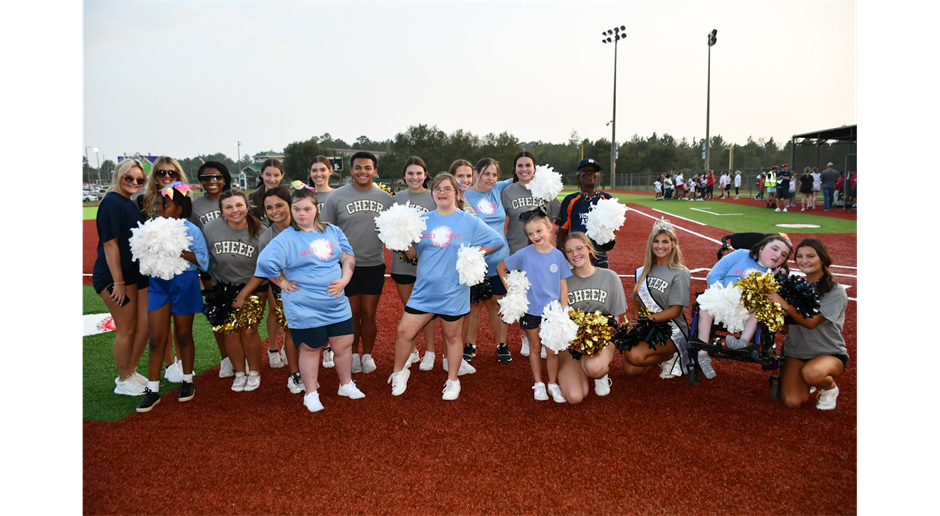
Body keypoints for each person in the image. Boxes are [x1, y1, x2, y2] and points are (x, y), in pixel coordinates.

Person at [386, 173, 504, 400]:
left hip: (453, 290)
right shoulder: (422, 220)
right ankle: (399, 373)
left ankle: (452, 380)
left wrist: (473, 255)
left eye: (447, 189)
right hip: (424, 290)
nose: (442, 192)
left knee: (452, 337)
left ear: (457, 193)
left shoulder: (469, 221)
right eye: (437, 188)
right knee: (404, 332)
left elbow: (496, 241)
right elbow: (411, 253)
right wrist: (400, 239)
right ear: (432, 193)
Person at [255, 185, 365, 412]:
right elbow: (265, 264)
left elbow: (348, 257)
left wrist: (345, 280)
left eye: (306, 208)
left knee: (344, 344)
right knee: (311, 348)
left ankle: (346, 384)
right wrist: (283, 283)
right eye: (296, 209)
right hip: (305, 306)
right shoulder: (286, 238)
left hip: (336, 303)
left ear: (316, 209)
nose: (301, 214)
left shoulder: (332, 231)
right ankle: (311, 393)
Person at [137, 183, 209, 412]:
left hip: (185, 283)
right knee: (156, 338)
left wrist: (176, 249)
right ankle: (153, 389)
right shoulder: (150, 227)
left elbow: (204, 261)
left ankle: (188, 380)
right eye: (157, 204)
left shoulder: (191, 230)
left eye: (164, 204)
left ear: (179, 207)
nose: (159, 208)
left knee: (183, 334)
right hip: (158, 284)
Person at [320, 151, 393, 374]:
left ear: (375, 171)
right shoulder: (336, 197)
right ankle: (352, 354)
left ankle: (368, 355)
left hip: (373, 264)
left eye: (368, 168)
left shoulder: (386, 199)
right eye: (358, 167)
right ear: (351, 170)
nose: (363, 171)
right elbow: (323, 230)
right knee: (350, 314)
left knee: (369, 314)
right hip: (344, 267)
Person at [498, 209, 572, 403]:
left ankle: (553, 384)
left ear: (549, 228)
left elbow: (563, 286)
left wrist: (564, 311)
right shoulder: (524, 254)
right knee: (535, 348)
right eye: (530, 234)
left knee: (552, 351)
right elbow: (501, 267)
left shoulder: (558, 256)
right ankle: (538, 383)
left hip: (553, 313)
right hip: (531, 310)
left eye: (538, 231)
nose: (535, 237)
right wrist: (513, 291)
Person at [694, 234, 793, 378]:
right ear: (761, 248)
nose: (778, 255)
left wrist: (780, 279)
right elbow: (714, 275)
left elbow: (775, 299)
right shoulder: (740, 255)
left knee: (761, 306)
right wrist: (719, 291)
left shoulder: (774, 274)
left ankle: (743, 342)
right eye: (775, 249)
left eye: (783, 255)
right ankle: (702, 354)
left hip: (748, 310)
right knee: (705, 307)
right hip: (724, 298)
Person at [768, 239, 847, 410]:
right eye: (800, 257)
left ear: (823, 258)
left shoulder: (835, 290)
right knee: (792, 401)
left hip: (828, 352)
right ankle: (806, 380)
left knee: (811, 373)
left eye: (811, 256)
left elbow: (812, 323)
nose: (805, 261)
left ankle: (829, 387)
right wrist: (771, 314)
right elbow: (787, 328)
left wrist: (785, 304)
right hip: (797, 352)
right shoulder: (795, 286)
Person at [93, 159, 149, 396]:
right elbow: (110, 245)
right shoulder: (112, 202)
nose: (134, 183)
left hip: (130, 275)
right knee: (126, 328)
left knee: (136, 326)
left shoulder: (128, 202)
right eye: (129, 178)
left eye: (139, 180)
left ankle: (130, 371)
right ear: (118, 176)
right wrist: (118, 282)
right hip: (114, 278)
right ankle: (124, 379)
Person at [203, 190, 266, 392]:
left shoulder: (261, 232)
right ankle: (239, 372)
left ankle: (254, 371)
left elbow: (263, 270)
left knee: (248, 329)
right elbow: (205, 260)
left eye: (239, 205)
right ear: (221, 211)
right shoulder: (210, 229)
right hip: (222, 286)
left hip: (253, 285)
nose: (235, 210)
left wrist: (242, 295)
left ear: (247, 206)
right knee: (229, 332)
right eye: (228, 207)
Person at [500, 151, 561, 358]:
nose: (524, 169)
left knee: (543, 293)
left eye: (528, 165)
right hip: (518, 250)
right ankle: (525, 336)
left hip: (543, 252)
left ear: (535, 168)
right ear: (515, 169)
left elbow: (554, 217)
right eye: (520, 166)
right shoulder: (507, 191)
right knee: (521, 294)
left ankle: (543, 337)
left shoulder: (544, 189)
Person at [556, 233, 628, 404]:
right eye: (569, 251)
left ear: (589, 248)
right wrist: (575, 342)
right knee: (574, 397)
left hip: (600, 340)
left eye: (579, 248)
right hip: (571, 344)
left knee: (594, 368)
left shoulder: (610, 277)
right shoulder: (562, 281)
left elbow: (616, 319)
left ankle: (600, 375)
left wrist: (594, 339)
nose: (575, 254)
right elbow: (557, 320)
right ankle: (578, 368)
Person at [623, 220, 690, 381]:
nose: (660, 246)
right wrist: (635, 321)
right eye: (656, 241)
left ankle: (670, 356)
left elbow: (675, 310)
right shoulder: (643, 271)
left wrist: (645, 321)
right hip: (649, 327)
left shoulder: (680, 273)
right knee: (630, 370)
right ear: (651, 244)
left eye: (665, 241)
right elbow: (638, 302)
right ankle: (660, 356)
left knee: (634, 355)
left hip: (672, 330)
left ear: (673, 244)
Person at [390, 157, 439, 371]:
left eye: (418, 173)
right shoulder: (397, 198)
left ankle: (430, 351)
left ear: (425, 174)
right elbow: (390, 229)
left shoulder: (434, 196)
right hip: (402, 263)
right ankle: (412, 350)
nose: (414, 177)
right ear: (404, 176)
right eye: (410, 173)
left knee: (427, 309)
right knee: (410, 308)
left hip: (428, 263)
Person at [463, 158, 513, 365]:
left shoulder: (498, 189)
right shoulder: (464, 195)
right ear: (476, 172)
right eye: (486, 174)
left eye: (494, 174)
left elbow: (522, 177)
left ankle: (502, 344)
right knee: (474, 306)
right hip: (475, 263)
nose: (490, 178)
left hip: (500, 261)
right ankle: (470, 344)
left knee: (497, 304)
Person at [191, 161, 237, 379]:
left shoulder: (234, 200)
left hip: (237, 264)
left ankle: (242, 357)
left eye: (217, 177)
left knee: (241, 313)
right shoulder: (194, 207)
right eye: (206, 178)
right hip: (211, 268)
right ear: (200, 181)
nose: (212, 181)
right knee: (218, 314)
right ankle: (226, 359)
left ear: (225, 178)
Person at [258, 187, 305, 393]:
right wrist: (284, 284)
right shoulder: (266, 238)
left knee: (312, 333)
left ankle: (309, 369)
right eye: (269, 208)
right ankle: (295, 375)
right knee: (291, 331)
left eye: (279, 205)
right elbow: (267, 269)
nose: (274, 211)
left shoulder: (307, 226)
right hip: (287, 290)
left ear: (290, 205)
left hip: (312, 288)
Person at [556, 158, 616, 268]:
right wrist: (562, 255)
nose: (590, 173)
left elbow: (611, 233)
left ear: (598, 176)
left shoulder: (607, 199)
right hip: (576, 256)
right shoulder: (571, 200)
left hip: (599, 256)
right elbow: (562, 231)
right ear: (578, 176)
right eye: (585, 170)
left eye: (593, 171)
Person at [307, 155, 336, 367]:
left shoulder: (337, 195)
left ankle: (329, 348)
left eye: (322, 170)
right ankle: (314, 344)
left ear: (330, 171)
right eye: (315, 170)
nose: (318, 174)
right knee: (313, 304)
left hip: (331, 258)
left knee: (330, 302)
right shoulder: (303, 196)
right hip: (309, 258)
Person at [250, 158, 286, 223]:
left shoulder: (288, 198)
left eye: (276, 175)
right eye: (268, 175)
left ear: (282, 175)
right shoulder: (251, 199)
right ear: (261, 174)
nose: (272, 179)